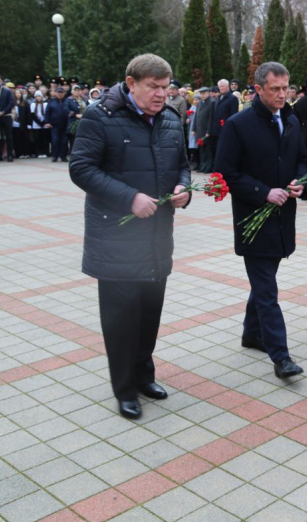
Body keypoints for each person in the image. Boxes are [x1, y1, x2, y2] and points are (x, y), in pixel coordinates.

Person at [69, 54, 191, 420]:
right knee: (121, 320)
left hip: (156, 238)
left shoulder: (171, 119)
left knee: (149, 315)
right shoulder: (99, 116)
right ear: (131, 82)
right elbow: (81, 168)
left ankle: (144, 376)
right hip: (116, 240)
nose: (160, 94)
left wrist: (184, 189)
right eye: (153, 87)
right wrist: (129, 198)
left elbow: (182, 164)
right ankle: (124, 390)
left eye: (165, 87)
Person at [214, 62, 307, 380]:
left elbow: (301, 157)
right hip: (253, 218)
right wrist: (262, 192)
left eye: (286, 88)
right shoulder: (239, 125)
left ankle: (251, 333)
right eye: (275, 89)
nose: (283, 95)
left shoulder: (291, 119)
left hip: (283, 219)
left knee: (262, 284)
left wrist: (300, 179)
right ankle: (281, 357)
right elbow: (226, 172)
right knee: (267, 289)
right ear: (258, 89)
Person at [207, 79, 239, 167]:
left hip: (225, 128)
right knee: (216, 148)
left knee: (224, 149)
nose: (221, 88)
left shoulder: (232, 98)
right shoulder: (218, 98)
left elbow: (234, 115)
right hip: (216, 129)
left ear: (227, 87)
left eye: (223, 86)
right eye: (220, 86)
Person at [45, 86, 74, 162]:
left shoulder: (68, 101)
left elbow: (73, 109)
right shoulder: (51, 101)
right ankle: (55, 156)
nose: (60, 94)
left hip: (66, 124)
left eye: (61, 92)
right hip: (54, 125)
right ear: (55, 93)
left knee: (64, 142)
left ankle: (63, 156)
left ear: (64, 93)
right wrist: (47, 122)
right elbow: (47, 113)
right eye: (58, 92)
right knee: (55, 141)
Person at [194, 87, 214, 172]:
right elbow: (196, 116)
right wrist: (194, 129)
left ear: (208, 93)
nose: (202, 95)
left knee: (208, 150)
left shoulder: (211, 102)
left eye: (204, 93)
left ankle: (208, 166)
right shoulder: (199, 103)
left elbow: (211, 118)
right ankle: (203, 165)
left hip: (206, 130)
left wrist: (209, 131)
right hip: (199, 130)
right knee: (201, 150)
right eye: (201, 93)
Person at [29, 91, 49, 158]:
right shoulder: (33, 105)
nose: (38, 97)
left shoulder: (45, 104)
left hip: (44, 124)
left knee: (44, 139)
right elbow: (32, 115)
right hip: (36, 125)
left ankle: (45, 152)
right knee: (37, 139)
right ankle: (38, 152)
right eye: (37, 96)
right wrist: (40, 123)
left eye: (39, 96)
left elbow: (47, 114)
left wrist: (43, 122)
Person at [12, 89, 29, 158]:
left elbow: (28, 114)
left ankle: (26, 153)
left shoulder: (25, 102)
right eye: (16, 93)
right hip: (14, 124)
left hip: (23, 124)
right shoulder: (12, 102)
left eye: (19, 93)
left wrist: (28, 123)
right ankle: (19, 153)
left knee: (25, 139)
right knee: (17, 140)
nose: (18, 94)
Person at [186, 94, 201, 168]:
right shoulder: (192, 107)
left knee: (196, 144)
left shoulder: (199, 108)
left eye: (197, 100)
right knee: (192, 144)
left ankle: (197, 161)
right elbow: (189, 116)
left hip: (196, 127)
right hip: (191, 127)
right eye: (194, 100)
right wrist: (188, 119)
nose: (195, 101)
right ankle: (194, 161)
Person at [0, 82, 14, 161]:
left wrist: (3, 112)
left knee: (9, 136)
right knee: (0, 137)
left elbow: (11, 103)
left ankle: (10, 155)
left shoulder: (7, 91)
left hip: (6, 116)